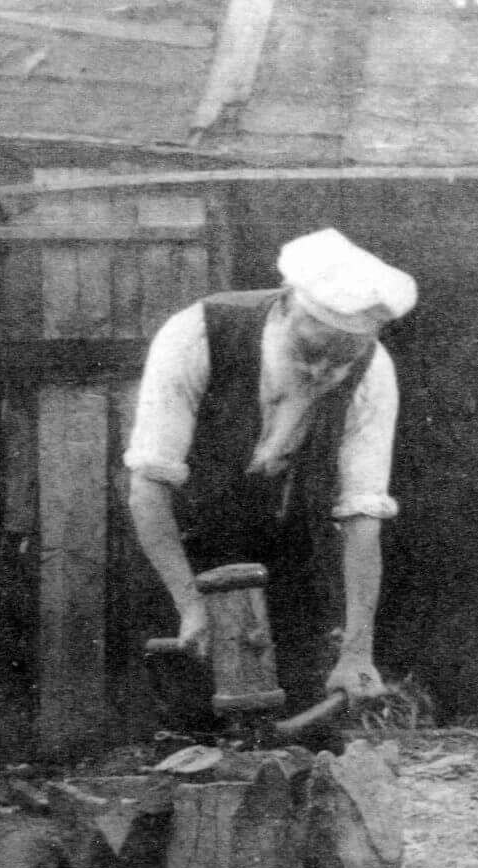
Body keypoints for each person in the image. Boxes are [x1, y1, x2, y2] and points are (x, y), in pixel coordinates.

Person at [124, 228, 416, 708]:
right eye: (310, 351)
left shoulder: (373, 371)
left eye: (340, 358)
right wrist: (190, 606)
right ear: (284, 307)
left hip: (286, 544)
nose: (322, 370)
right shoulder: (197, 333)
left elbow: (364, 518)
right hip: (181, 536)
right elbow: (148, 490)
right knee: (185, 713)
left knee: (296, 711)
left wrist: (358, 652)